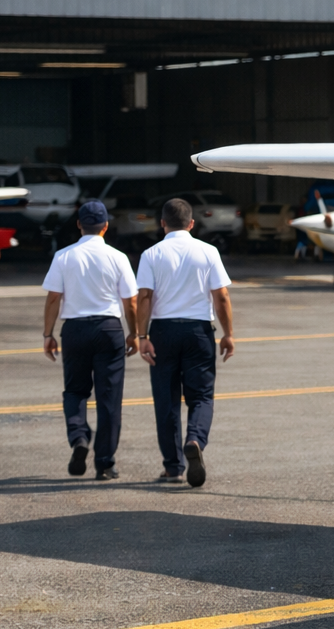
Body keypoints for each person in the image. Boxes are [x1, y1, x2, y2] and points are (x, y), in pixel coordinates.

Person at [136, 197, 235, 487]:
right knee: (201, 396)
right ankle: (195, 439)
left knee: (166, 401)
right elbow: (221, 296)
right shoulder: (208, 251)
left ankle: (173, 467)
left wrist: (142, 337)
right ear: (192, 224)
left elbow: (144, 297)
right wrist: (228, 333)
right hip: (198, 331)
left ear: (162, 223)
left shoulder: (151, 254)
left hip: (163, 332)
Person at [41, 201, 139, 480]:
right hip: (108, 329)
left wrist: (48, 334)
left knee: (75, 392)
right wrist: (134, 332)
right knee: (109, 399)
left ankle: (79, 437)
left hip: (75, 330)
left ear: (79, 225)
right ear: (106, 227)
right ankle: (105, 463)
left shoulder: (63, 256)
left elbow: (53, 298)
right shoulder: (118, 257)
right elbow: (130, 301)